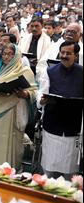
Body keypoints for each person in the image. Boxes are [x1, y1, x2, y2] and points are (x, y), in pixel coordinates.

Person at [0, 43, 37, 170]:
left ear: (17, 56)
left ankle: (9, 171)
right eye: (4, 54)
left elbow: (34, 91)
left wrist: (25, 94)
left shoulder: (25, 71)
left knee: (10, 142)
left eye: (10, 54)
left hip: (13, 111)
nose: (6, 57)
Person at [38, 41, 83, 180]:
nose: (64, 56)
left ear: (75, 56)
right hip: (53, 124)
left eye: (68, 53)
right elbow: (41, 93)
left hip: (73, 126)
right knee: (49, 170)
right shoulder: (49, 71)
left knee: (70, 173)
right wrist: (42, 100)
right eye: (62, 52)